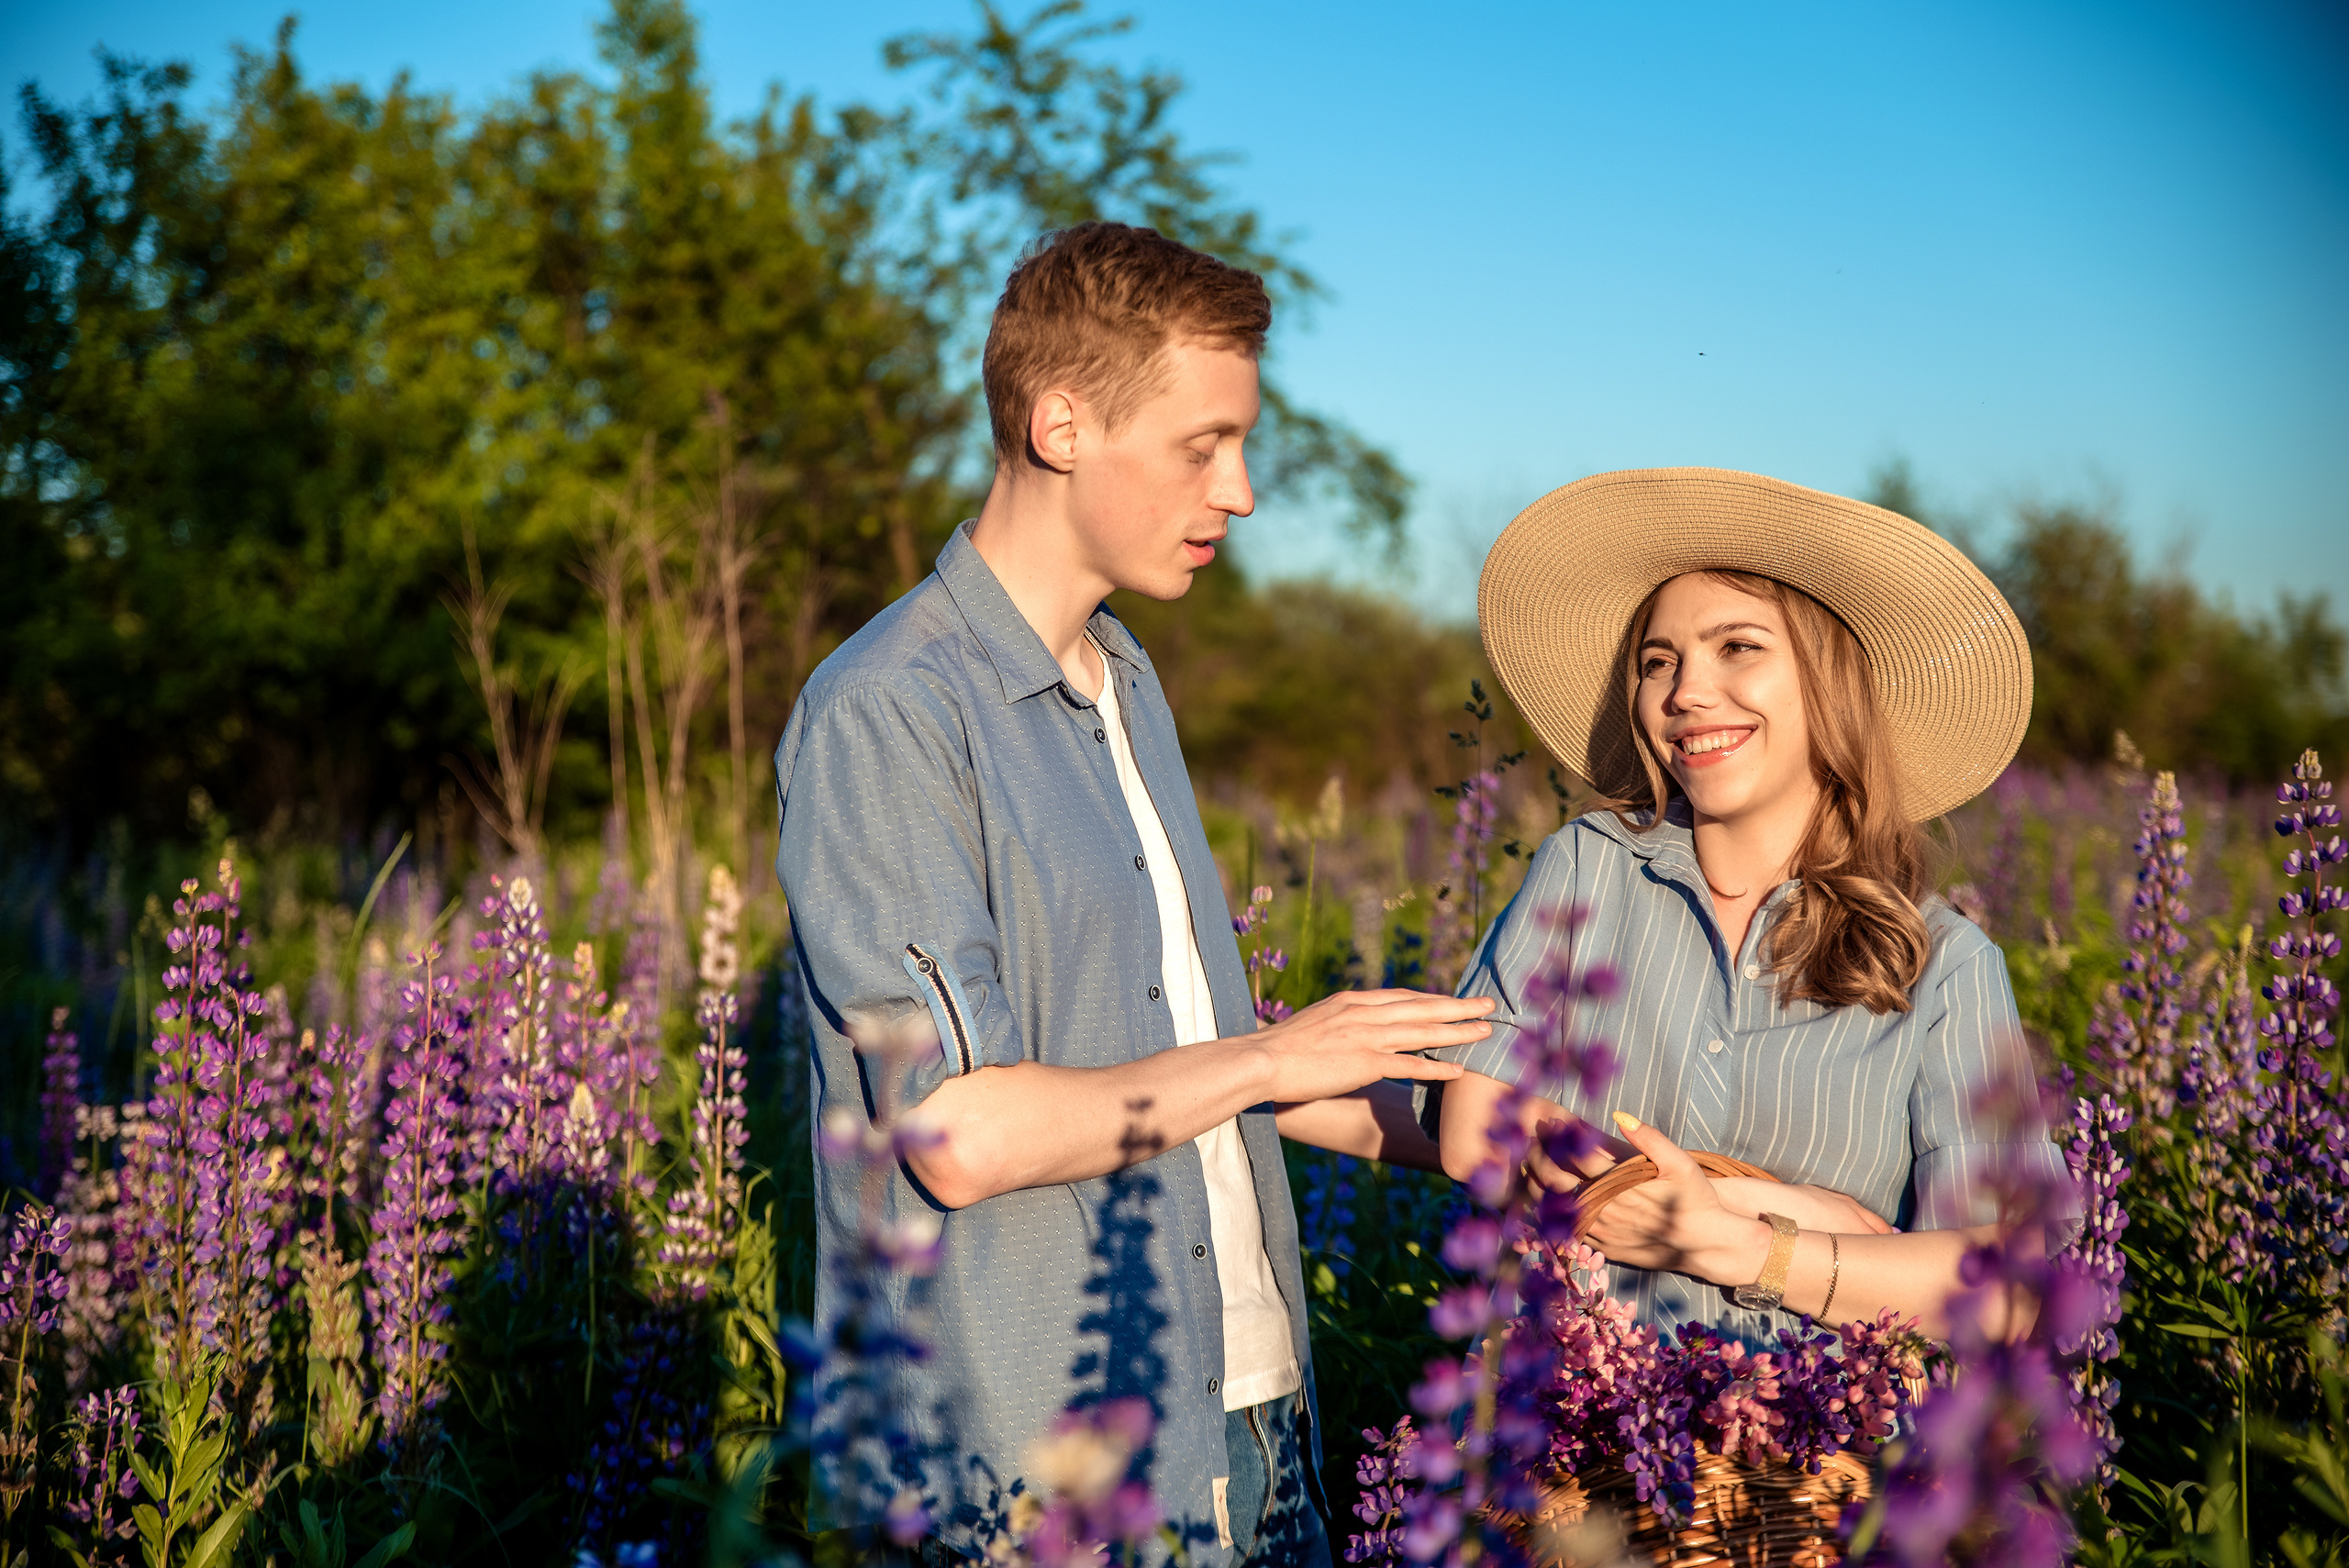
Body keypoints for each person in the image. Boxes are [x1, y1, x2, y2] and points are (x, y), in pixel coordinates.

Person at [774, 222, 1494, 1567]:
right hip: (1039, 1477)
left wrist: (1458, 1123)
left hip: (1254, 1415)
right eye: (1202, 445)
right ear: (1061, 424)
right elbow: (955, 1135)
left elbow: (1185, 1061)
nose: (1243, 489)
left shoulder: (1125, 678)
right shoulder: (890, 710)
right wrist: (1277, 1048)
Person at [1434, 466, 2065, 1346]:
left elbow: (2010, 1292)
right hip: (1567, 1447)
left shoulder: (1945, 963)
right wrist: (1810, 1205)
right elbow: (1473, 1130)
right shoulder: (1590, 867)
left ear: (1828, 683)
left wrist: (1742, 1239)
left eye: (1738, 647)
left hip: (1806, 1463)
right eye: (1660, 661)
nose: (1687, 690)